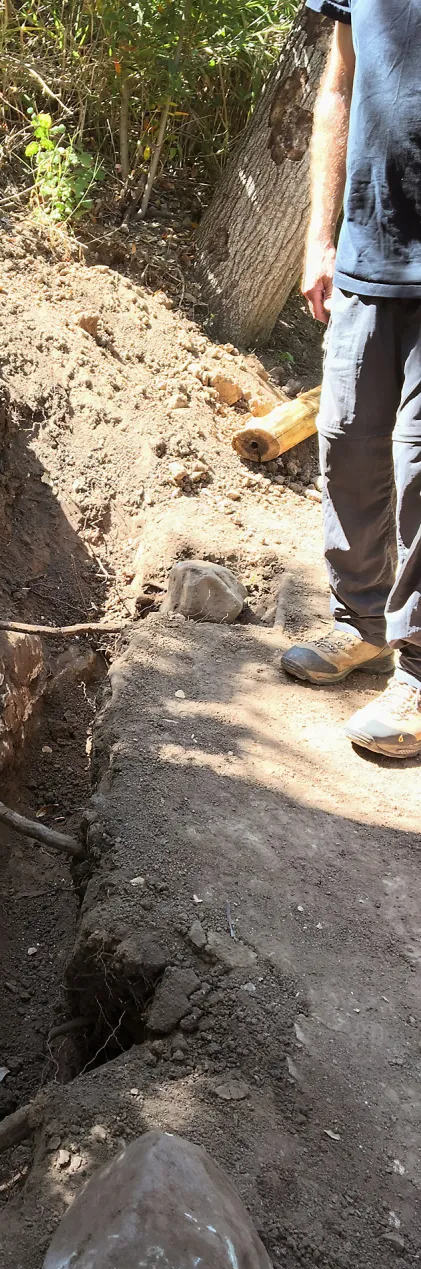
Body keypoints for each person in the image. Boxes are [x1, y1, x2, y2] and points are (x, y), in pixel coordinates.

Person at [280, 0, 421, 758]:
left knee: (418, 458)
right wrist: (318, 235)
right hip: (371, 247)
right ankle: (361, 623)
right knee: (346, 441)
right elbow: (339, 83)